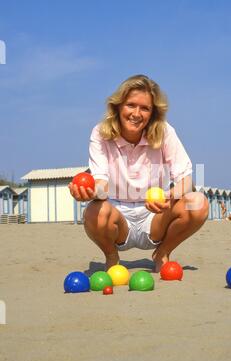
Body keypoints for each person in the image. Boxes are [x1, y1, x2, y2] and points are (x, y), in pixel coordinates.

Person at [69, 75, 209, 272]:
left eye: (145, 108)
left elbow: (186, 180)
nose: (136, 113)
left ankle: (162, 253)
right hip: (118, 217)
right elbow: (101, 183)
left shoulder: (165, 132)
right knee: (93, 210)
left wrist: (168, 196)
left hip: (155, 216)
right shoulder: (100, 133)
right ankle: (111, 256)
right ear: (118, 106)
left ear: (152, 113)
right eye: (130, 105)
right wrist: (89, 192)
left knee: (198, 202)